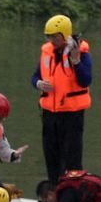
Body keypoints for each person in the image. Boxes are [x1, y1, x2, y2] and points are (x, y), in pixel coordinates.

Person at [34, 15, 92, 179]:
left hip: (71, 115)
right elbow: (35, 76)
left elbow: (86, 80)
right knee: (51, 155)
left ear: (64, 34)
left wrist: (76, 62)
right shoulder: (47, 53)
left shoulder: (82, 53)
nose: (52, 40)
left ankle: (72, 191)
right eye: (49, 36)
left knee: (71, 158)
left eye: (55, 36)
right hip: (49, 114)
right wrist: (38, 83)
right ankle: (53, 191)